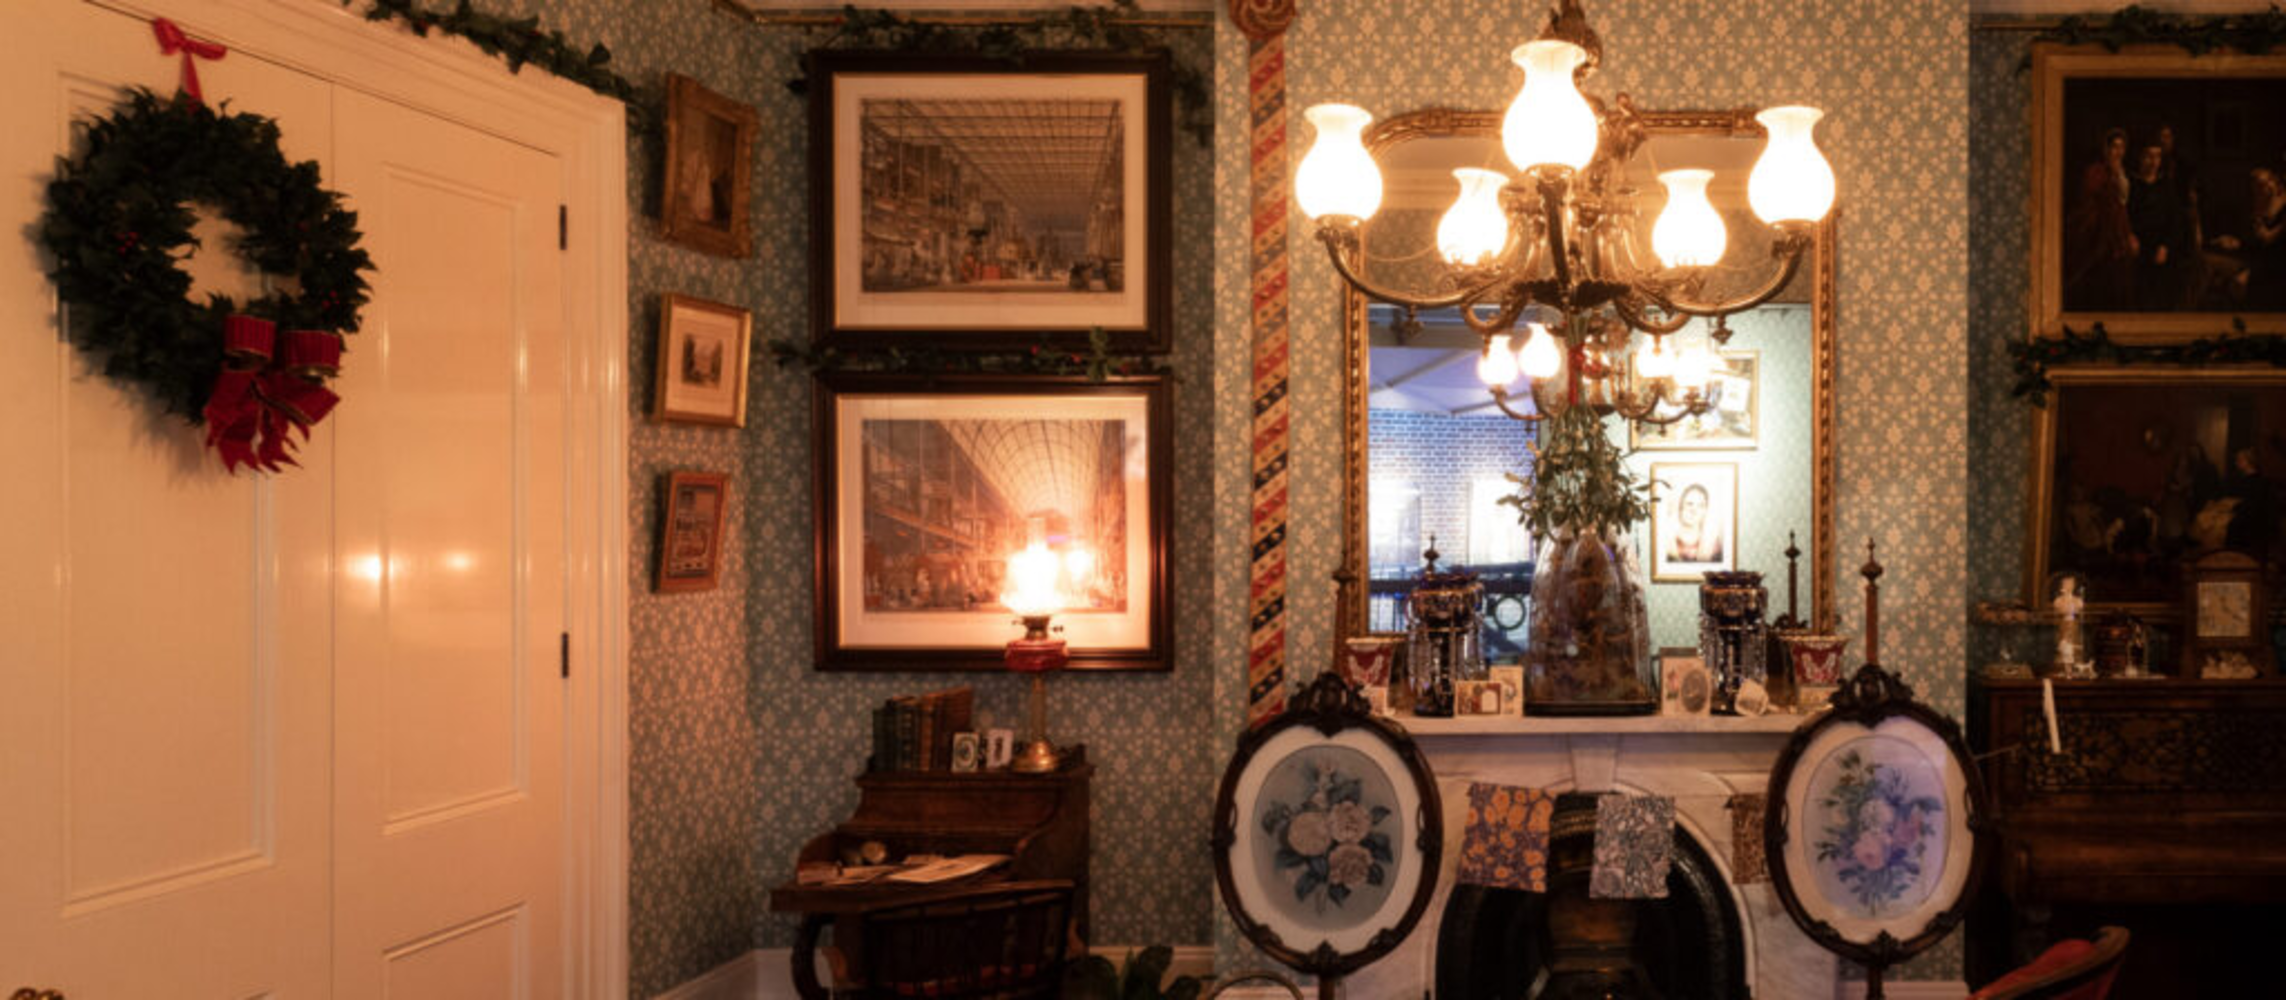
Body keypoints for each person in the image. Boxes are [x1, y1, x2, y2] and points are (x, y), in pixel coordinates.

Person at [2063, 127, 2138, 312]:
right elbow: (2094, 202)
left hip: (2118, 233)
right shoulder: (2095, 171)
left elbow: (2122, 207)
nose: (2118, 152)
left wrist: (2128, 233)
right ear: (2106, 149)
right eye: (2114, 147)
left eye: (2122, 147)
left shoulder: (2123, 174)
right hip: (2097, 234)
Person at [2129, 141, 2198, 309]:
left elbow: (2175, 221)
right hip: (2136, 248)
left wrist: (2165, 246)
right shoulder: (2130, 183)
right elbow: (2123, 216)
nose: (2154, 162)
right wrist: (2129, 235)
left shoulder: (2166, 185)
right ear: (2140, 158)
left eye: (2157, 157)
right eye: (2149, 156)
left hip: (2163, 249)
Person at [1666, 483, 1725, 564]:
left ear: (1705, 511)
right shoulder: (1666, 540)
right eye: (1689, 504)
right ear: (1680, 506)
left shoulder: (1713, 545)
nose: (1694, 510)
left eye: (1700, 506)